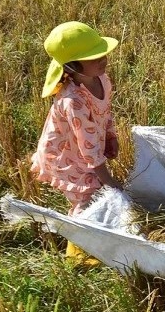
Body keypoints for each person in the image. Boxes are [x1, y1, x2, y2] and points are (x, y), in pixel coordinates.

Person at [31, 21, 123, 264]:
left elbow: (105, 112)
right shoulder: (73, 101)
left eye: (102, 52)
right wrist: (109, 180)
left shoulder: (102, 79)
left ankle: (96, 241)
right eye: (93, 57)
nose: (102, 59)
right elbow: (89, 150)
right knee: (87, 198)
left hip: (85, 147)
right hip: (66, 156)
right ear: (72, 66)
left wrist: (111, 136)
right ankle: (78, 255)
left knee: (98, 190)